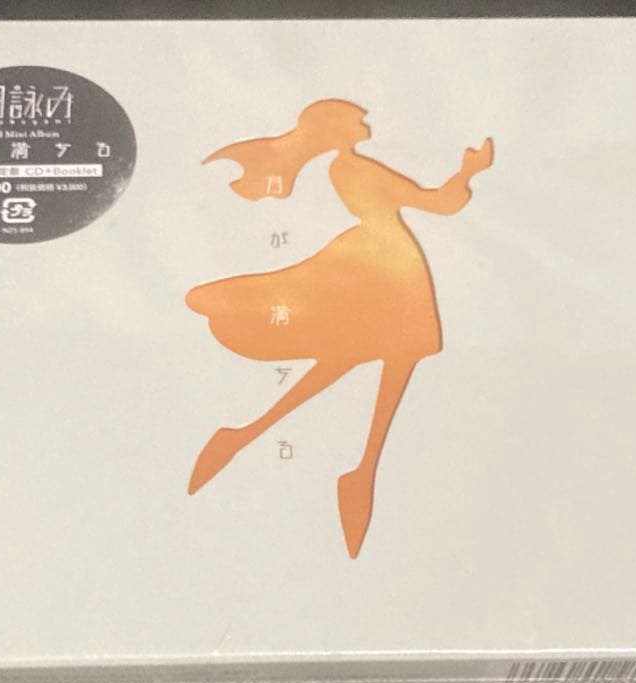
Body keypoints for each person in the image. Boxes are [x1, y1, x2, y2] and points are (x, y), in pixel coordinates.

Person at [187, 98, 494, 558]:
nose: (364, 122)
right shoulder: (354, 169)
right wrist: (468, 171)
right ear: (337, 129)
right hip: (385, 265)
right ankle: (356, 469)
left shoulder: (346, 168)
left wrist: (468, 172)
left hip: (380, 260)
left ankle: (258, 438)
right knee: (384, 357)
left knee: (350, 359)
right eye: (356, 119)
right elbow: (437, 203)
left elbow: (438, 204)